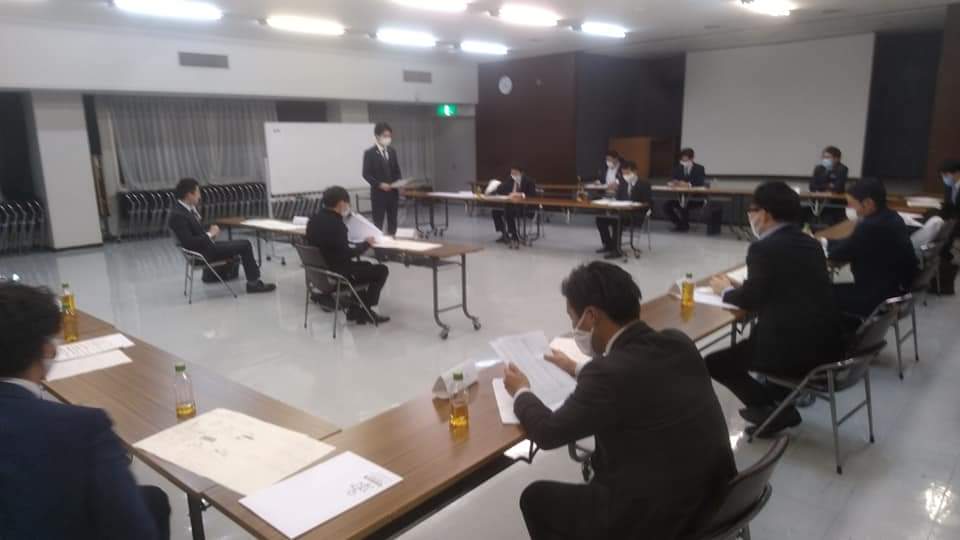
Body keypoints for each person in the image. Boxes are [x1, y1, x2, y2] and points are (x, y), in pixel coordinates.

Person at [503, 262, 736, 540]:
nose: (574, 328)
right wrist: (577, 368)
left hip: (661, 522)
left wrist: (521, 391)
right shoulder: (678, 342)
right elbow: (638, 380)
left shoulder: (607, 374)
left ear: (591, 316)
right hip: (719, 501)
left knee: (536, 498)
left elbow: (547, 433)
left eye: (573, 318)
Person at [0, 283, 171, 539]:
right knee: (152, 500)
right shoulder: (83, 428)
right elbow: (134, 531)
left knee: (153, 498)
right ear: (46, 349)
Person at [704, 182, 845, 437]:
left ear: (765, 214)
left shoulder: (762, 248)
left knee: (715, 363)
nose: (750, 215)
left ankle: (774, 412)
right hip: (826, 339)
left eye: (752, 209)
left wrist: (724, 291)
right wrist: (746, 287)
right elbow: (786, 283)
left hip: (790, 347)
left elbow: (751, 300)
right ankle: (776, 402)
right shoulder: (810, 243)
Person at [823, 178, 918, 318]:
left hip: (875, 297)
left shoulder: (870, 226)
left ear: (868, 203)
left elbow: (837, 254)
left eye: (852, 204)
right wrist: (827, 241)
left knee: (819, 290)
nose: (851, 209)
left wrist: (821, 245)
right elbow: (853, 243)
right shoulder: (892, 217)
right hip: (893, 289)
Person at [168, 178, 276, 294]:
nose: (199, 196)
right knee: (245, 245)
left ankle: (251, 280)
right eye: (197, 192)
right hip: (203, 254)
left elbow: (194, 236)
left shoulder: (184, 210)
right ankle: (253, 284)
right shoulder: (178, 215)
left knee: (238, 244)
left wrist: (210, 235)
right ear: (189, 195)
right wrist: (210, 234)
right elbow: (189, 242)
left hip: (205, 248)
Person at [306, 186, 390, 324]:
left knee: (366, 265)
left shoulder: (313, 220)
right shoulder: (337, 224)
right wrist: (366, 244)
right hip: (337, 274)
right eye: (347, 203)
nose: (348, 206)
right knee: (381, 270)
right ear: (341, 203)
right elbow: (347, 254)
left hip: (319, 273)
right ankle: (365, 310)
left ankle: (355, 310)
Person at [595, 161, 652, 259]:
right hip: (621, 211)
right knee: (601, 219)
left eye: (627, 173)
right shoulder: (622, 183)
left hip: (636, 213)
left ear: (635, 172)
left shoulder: (644, 184)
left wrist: (636, 204)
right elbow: (618, 199)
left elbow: (648, 202)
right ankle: (608, 245)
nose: (625, 175)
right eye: (623, 173)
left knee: (618, 220)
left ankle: (617, 250)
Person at [362, 122, 403, 235]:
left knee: (393, 222)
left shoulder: (392, 151)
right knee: (378, 223)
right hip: (379, 194)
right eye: (385, 136)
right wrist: (379, 184)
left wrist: (399, 183)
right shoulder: (370, 153)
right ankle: (379, 245)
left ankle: (392, 243)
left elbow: (396, 170)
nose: (388, 138)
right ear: (377, 136)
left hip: (393, 193)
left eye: (389, 136)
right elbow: (366, 174)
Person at [491, 166, 537, 248]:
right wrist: (495, 188)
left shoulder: (529, 181)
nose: (513, 175)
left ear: (521, 173)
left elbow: (532, 196)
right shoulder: (510, 180)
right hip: (511, 205)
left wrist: (521, 194)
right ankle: (504, 234)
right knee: (495, 211)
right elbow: (501, 189)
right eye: (511, 173)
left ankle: (514, 235)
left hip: (525, 207)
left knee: (509, 211)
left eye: (515, 173)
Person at [664, 148, 708, 232]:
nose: (684, 162)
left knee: (684, 205)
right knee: (666, 206)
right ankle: (680, 224)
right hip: (680, 197)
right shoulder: (677, 168)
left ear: (692, 158)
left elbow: (700, 182)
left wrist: (688, 184)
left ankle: (684, 226)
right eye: (682, 160)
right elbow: (673, 180)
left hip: (696, 198)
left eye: (686, 160)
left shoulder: (699, 168)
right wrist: (674, 183)